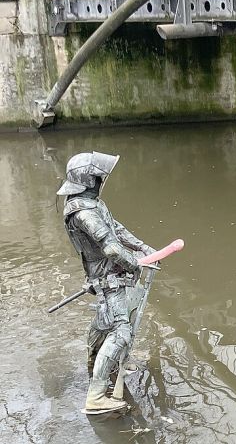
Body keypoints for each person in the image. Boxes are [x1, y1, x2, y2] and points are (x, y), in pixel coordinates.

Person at [57, 152, 156, 413]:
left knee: (103, 324)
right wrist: (134, 264)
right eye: (99, 177)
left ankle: (97, 364)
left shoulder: (92, 204)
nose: (103, 181)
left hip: (107, 273)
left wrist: (142, 247)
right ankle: (97, 395)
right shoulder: (83, 212)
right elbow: (111, 248)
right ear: (91, 180)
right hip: (108, 275)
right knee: (121, 332)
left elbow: (115, 227)